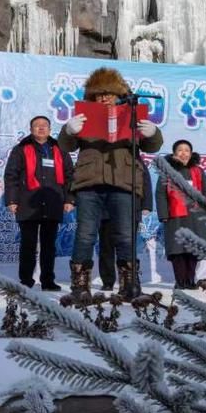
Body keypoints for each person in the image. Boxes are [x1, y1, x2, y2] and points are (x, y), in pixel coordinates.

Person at [59, 67, 163, 296]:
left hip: (123, 182)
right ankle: (80, 285)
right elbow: (66, 146)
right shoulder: (84, 117)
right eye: (99, 94)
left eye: (109, 93)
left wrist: (153, 132)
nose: (104, 98)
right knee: (85, 234)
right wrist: (68, 130)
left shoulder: (132, 114)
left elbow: (152, 147)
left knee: (126, 235)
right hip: (89, 184)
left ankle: (129, 285)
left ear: (119, 94)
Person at [4, 115, 75, 291]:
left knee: (49, 246)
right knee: (27, 244)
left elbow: (70, 176)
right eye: (37, 125)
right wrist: (12, 200)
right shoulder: (21, 149)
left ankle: (48, 280)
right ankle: (26, 280)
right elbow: (11, 176)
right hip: (28, 203)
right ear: (31, 129)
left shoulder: (60, 148)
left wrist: (69, 199)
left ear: (50, 129)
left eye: (45, 125)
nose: (41, 128)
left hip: (53, 203)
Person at [156, 140, 206, 289]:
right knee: (178, 250)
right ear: (174, 153)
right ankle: (180, 281)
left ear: (191, 153)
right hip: (175, 216)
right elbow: (160, 194)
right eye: (180, 150)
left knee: (193, 249)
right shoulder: (166, 171)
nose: (183, 153)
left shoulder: (198, 171)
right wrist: (163, 214)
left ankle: (190, 280)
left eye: (187, 150)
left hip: (195, 216)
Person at [98, 162, 151, 292]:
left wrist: (147, 205)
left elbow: (145, 183)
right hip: (107, 210)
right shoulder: (104, 159)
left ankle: (130, 280)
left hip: (131, 209)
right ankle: (108, 281)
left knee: (128, 247)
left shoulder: (136, 160)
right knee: (106, 246)